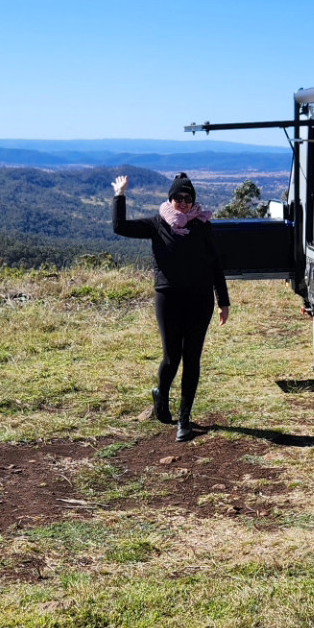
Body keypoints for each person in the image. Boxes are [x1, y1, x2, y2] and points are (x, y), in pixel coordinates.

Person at [112, 171, 229, 442]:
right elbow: (120, 227)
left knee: (192, 359)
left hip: (200, 300)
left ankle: (184, 418)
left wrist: (223, 301)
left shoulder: (202, 225)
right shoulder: (156, 224)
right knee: (171, 357)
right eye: (179, 197)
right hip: (169, 299)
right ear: (171, 198)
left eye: (189, 198)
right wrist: (120, 195)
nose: (184, 202)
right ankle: (161, 395)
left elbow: (215, 265)